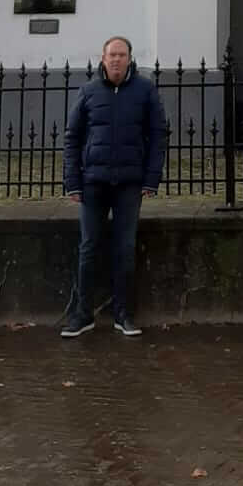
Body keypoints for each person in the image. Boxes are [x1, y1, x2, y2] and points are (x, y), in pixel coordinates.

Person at [62, 35, 165, 337]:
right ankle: (83, 315)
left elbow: (158, 135)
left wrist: (151, 178)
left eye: (122, 55)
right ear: (103, 59)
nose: (117, 60)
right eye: (112, 55)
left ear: (130, 59)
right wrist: (72, 182)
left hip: (130, 184)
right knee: (88, 248)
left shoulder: (145, 90)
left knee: (125, 249)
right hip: (93, 182)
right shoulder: (88, 91)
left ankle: (123, 314)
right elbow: (72, 137)